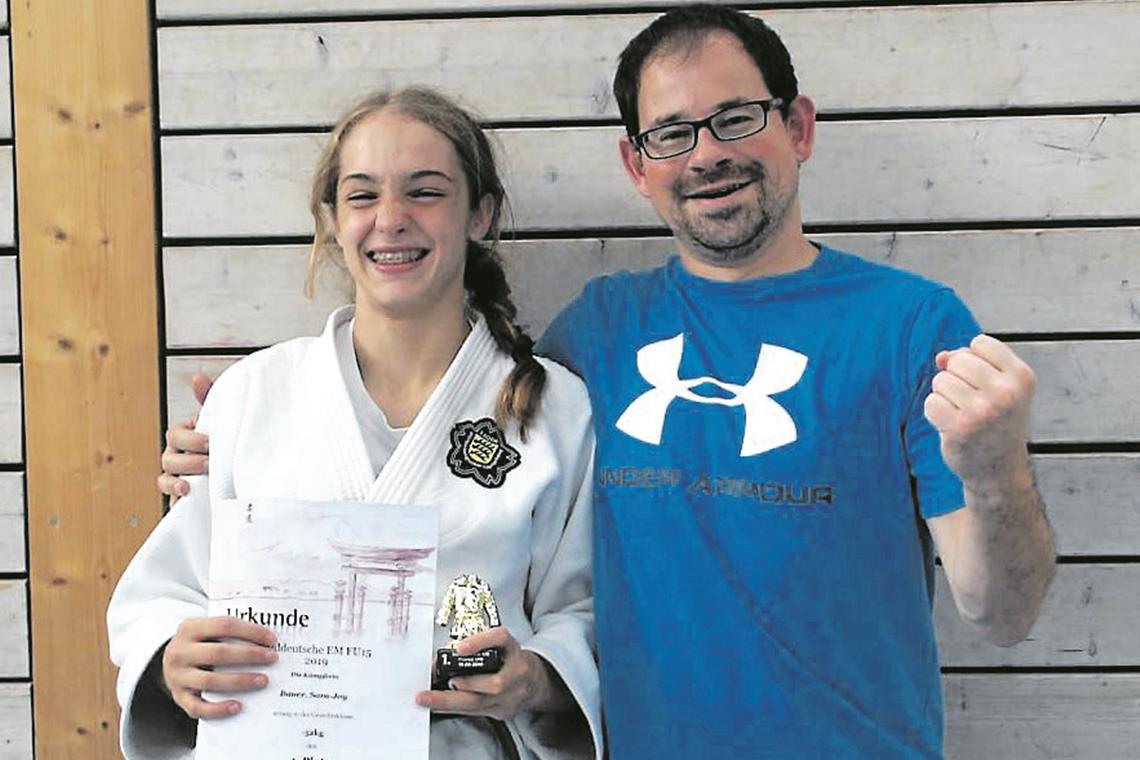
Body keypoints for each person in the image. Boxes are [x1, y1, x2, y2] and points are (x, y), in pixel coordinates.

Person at [159, 5, 1057, 758]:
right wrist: (231, 459)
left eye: (737, 118)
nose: (705, 154)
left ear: (799, 127)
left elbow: (1004, 613)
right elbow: (459, 470)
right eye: (671, 133)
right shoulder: (597, 337)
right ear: (637, 165)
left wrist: (993, 469)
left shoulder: (909, 328)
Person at [110, 87, 602, 760]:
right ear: (332, 219)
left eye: (425, 192)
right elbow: (165, 590)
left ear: (480, 214)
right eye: (363, 196)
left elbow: (580, 615)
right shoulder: (251, 395)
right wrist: (172, 657)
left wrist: (535, 680)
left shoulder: (555, 410)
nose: (391, 220)